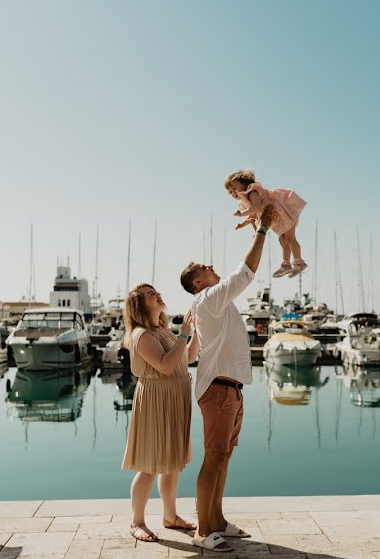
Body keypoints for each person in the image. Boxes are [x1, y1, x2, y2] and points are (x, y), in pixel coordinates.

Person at [179, 205, 274, 553]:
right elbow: (245, 272)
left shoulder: (211, 304)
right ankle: (203, 531)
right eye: (206, 267)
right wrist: (262, 229)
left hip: (229, 388)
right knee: (214, 457)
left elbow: (195, 350)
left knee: (224, 457)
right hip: (219, 390)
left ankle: (217, 520)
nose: (212, 267)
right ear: (198, 282)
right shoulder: (208, 298)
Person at [120, 284, 199, 543]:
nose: (157, 294)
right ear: (140, 304)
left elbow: (186, 359)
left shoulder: (162, 330)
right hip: (156, 400)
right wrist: (184, 335)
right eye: (150, 294)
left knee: (172, 461)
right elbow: (165, 366)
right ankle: (136, 521)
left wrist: (195, 332)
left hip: (174, 399)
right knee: (149, 465)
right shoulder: (141, 335)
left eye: (156, 291)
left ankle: (170, 517)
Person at [224, 169, 307, 278]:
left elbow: (256, 207)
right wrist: (242, 224)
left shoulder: (252, 192)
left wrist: (241, 214)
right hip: (277, 218)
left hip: (283, 214)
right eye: (230, 192)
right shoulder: (245, 201)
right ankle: (286, 264)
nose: (233, 193)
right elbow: (253, 215)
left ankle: (299, 263)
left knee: (290, 238)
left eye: (234, 188)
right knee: (283, 240)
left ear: (245, 185)